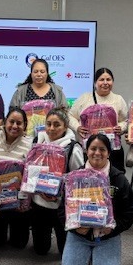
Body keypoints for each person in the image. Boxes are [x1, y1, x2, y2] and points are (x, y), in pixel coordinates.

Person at [61, 134, 133, 265]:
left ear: (109, 153)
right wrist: (75, 228)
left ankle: (95, 259)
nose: (97, 153)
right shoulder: (74, 178)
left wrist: (113, 228)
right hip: (79, 235)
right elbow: (62, 210)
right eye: (93, 148)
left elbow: (129, 211)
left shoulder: (118, 179)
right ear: (86, 151)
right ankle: (87, 259)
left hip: (106, 236)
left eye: (102, 149)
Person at [30, 108, 85, 255]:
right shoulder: (36, 142)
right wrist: (37, 189)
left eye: (56, 125)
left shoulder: (73, 147)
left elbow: (77, 180)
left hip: (61, 205)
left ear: (65, 127)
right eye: (48, 124)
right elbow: (30, 171)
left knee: (64, 252)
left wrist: (60, 191)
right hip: (39, 202)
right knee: (40, 250)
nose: (51, 128)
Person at [0, 107, 33, 248]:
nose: (15, 126)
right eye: (11, 121)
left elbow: (32, 176)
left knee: (19, 244)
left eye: (19, 123)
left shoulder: (30, 145)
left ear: (25, 126)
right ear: (4, 122)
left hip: (19, 202)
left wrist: (25, 201)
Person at [68, 67, 128, 172]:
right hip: (90, 149)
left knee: (114, 178)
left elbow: (127, 120)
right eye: (101, 80)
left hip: (113, 149)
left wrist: (121, 128)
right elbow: (70, 116)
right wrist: (77, 127)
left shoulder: (118, 99)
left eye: (108, 79)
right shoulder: (84, 98)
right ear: (95, 82)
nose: (105, 83)